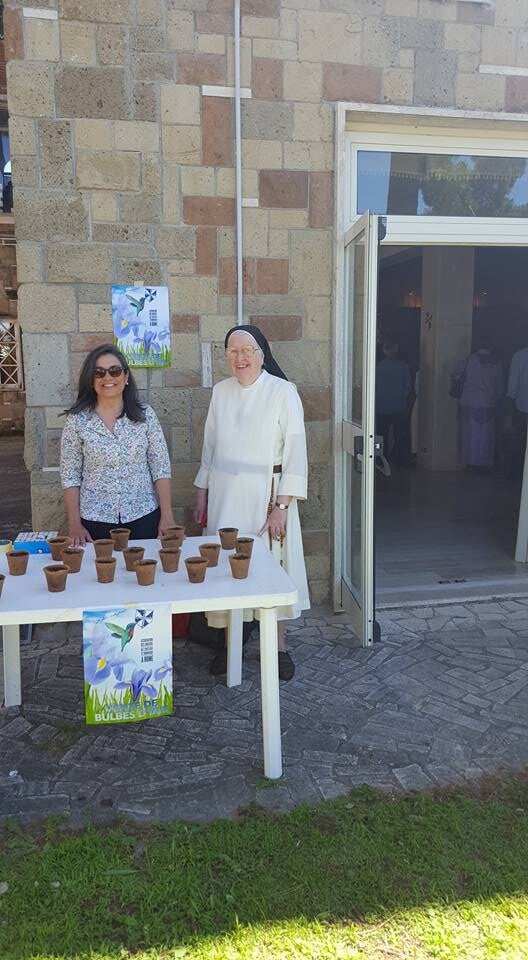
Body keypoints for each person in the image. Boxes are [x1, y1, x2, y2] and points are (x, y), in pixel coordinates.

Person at [194, 324, 310, 681]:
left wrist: (282, 507)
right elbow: (210, 446)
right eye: (233, 352)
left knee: (273, 569)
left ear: (262, 355)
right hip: (225, 497)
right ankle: (230, 645)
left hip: (267, 497)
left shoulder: (283, 391)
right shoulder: (221, 392)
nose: (240, 358)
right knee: (227, 569)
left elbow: (296, 452)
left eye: (247, 351)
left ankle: (278, 647)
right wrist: (202, 492)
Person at [60, 343, 174, 545]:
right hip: (95, 520)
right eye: (99, 372)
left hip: (143, 516)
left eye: (114, 371)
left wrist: (167, 516)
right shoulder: (77, 421)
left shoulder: (145, 416)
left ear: (126, 376)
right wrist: (74, 524)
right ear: (91, 380)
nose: (108, 377)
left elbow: (160, 467)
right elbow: (70, 475)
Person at [456, 348, 503, 470]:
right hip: (488, 403)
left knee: (469, 436)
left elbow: (457, 376)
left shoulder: (468, 360)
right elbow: (499, 386)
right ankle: (483, 463)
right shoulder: (496, 362)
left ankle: (469, 463)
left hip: (468, 402)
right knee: (485, 437)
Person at [375, 340, 412, 467]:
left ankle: (381, 461)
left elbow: (374, 387)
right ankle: (403, 462)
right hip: (399, 406)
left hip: (381, 407)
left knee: (381, 436)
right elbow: (408, 387)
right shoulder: (403, 367)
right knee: (401, 436)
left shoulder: (377, 367)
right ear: (396, 349)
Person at [504, 345, 528, 478]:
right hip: (522, 408)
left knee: (520, 444)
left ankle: (517, 475)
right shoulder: (519, 356)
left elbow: (512, 388)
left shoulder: (519, 356)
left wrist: (508, 416)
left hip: (522, 408)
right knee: (519, 444)